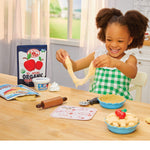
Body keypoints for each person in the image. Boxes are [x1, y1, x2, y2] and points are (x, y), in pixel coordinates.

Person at [56, 8, 148, 100]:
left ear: (129, 40)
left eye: (120, 41)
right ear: (104, 36)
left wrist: (115, 63)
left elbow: (132, 73)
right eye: (109, 39)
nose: (114, 44)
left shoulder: (129, 59)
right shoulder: (98, 54)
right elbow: (75, 66)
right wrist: (65, 59)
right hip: (96, 103)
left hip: (119, 106)